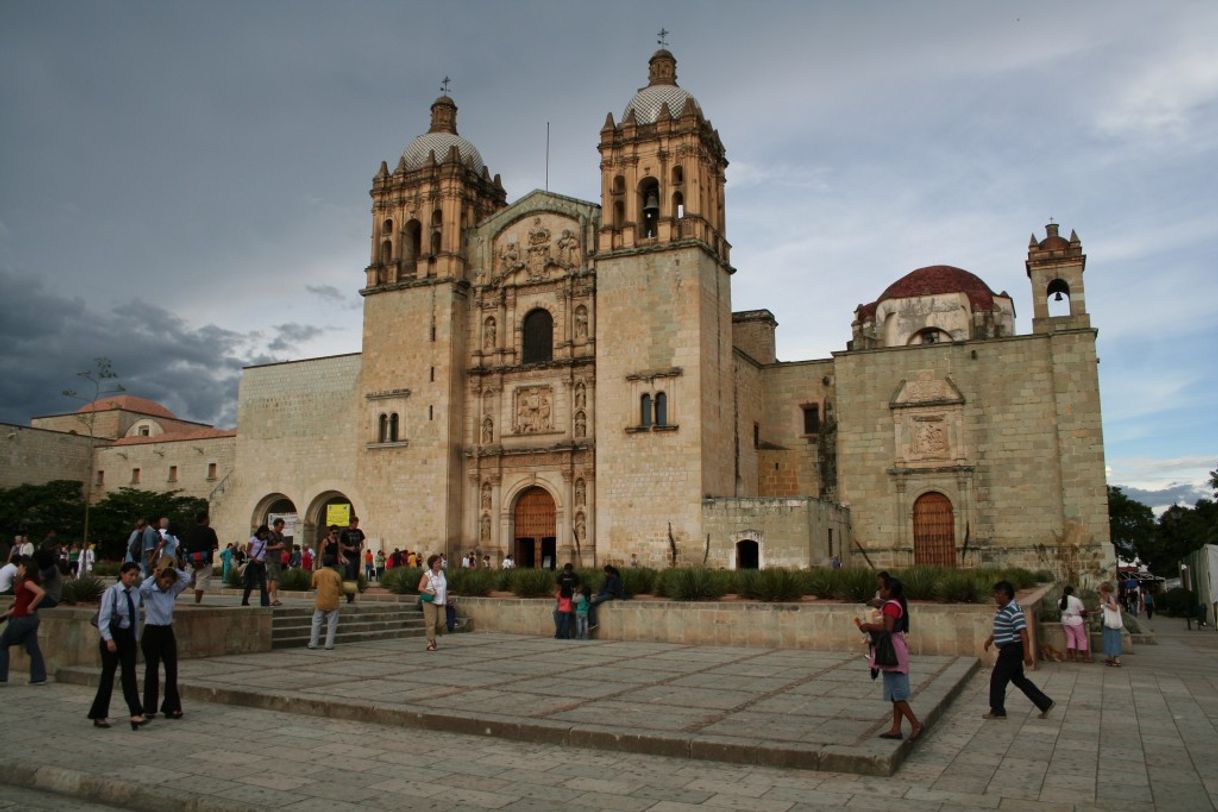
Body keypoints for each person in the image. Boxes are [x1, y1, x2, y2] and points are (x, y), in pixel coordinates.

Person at [854, 577, 921, 740]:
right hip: (895, 649)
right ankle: (896, 728)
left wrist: (868, 626)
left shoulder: (891, 605)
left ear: (889, 591)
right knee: (894, 693)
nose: (880, 591)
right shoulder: (895, 604)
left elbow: (888, 628)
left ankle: (915, 724)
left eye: (882, 589)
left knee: (896, 695)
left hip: (893, 652)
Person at [89, 562, 149, 730]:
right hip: (112, 636)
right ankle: (99, 714)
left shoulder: (136, 593)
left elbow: (136, 618)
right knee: (108, 676)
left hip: (127, 637)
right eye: (130, 574)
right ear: (122, 574)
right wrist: (108, 639)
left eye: (135, 575)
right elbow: (104, 618)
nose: (133, 578)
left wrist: (135, 639)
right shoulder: (112, 592)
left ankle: (136, 713)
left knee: (129, 675)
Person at [983, 580, 1054, 720]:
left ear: (1006, 595)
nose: (995, 596)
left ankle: (997, 711)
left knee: (998, 678)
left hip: (1012, 650)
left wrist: (1027, 654)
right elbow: (1000, 627)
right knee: (1019, 680)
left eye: (998, 594)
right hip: (1009, 649)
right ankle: (1045, 703)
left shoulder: (1014, 610)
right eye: (995, 594)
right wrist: (990, 639)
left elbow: (1023, 633)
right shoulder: (1002, 608)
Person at [140, 566, 191, 718]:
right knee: (152, 670)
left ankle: (171, 706)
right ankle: (149, 707)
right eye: (165, 581)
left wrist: (172, 567)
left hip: (166, 631)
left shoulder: (171, 592)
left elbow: (187, 579)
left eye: (170, 583)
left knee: (171, 669)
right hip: (151, 631)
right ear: (159, 579)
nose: (167, 585)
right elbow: (142, 588)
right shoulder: (150, 592)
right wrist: (154, 575)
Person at [0, 556, 47, 685]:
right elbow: (19, 604)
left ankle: (1, 677)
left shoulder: (27, 582)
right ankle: (39, 677)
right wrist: (4, 614)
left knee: (2, 644)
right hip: (30, 619)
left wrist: (30, 607)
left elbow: (41, 593)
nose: (18, 568)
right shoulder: (24, 582)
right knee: (32, 648)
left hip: (22, 620)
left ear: (24, 567)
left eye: (19, 566)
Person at [181, 511, 219, 605]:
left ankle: (173, 595)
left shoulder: (190, 530)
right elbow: (215, 545)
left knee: (188, 579)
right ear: (205, 519)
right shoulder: (210, 531)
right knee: (202, 580)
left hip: (191, 559)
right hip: (205, 559)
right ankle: (197, 602)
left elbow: (185, 544)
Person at [308, 556, 343, 650]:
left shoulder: (317, 573)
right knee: (332, 625)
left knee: (316, 623)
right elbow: (340, 591)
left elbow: (313, 585)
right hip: (333, 602)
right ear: (332, 564)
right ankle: (329, 644)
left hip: (320, 601)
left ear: (323, 562)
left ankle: (313, 643)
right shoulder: (336, 575)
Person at [417, 554, 447, 652]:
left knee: (442, 622)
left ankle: (432, 636)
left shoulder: (442, 573)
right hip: (430, 601)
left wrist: (448, 598)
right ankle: (430, 642)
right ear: (432, 564)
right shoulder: (427, 574)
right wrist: (430, 592)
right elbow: (420, 587)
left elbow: (443, 587)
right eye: (437, 563)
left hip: (441, 601)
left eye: (440, 562)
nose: (439, 564)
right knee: (431, 623)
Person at [1058, 585, 1091, 663]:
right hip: (1076, 620)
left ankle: (1073, 657)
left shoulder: (1060, 600)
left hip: (1065, 621)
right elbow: (1082, 611)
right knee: (1082, 639)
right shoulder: (1076, 600)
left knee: (1070, 638)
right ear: (1072, 592)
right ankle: (1085, 657)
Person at [241, 525, 271, 607]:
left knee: (263, 583)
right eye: (264, 534)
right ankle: (245, 600)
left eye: (266, 534)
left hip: (261, 563)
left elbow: (265, 551)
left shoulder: (265, 541)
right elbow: (248, 551)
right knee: (250, 583)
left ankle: (265, 603)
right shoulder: (253, 539)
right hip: (253, 563)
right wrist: (254, 559)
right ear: (260, 532)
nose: (265, 535)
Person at [339, 517, 365, 604]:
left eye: (357, 523)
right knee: (349, 575)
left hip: (357, 556)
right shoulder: (344, 532)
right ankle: (349, 597)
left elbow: (362, 544)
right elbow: (341, 545)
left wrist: (359, 549)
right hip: (348, 557)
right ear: (351, 523)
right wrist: (349, 548)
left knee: (355, 575)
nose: (356, 525)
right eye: (355, 523)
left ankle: (352, 596)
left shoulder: (359, 532)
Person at [1098, 582, 1123, 667]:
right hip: (1106, 621)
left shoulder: (1110, 597)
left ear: (1104, 589)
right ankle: (1110, 658)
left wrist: (1105, 604)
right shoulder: (1104, 597)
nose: (1099, 590)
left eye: (1100, 588)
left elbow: (1115, 608)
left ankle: (1116, 659)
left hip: (1111, 622)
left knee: (1114, 639)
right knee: (1108, 639)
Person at [265, 518, 286, 607]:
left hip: (278, 559)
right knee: (274, 578)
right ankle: (274, 599)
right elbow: (264, 547)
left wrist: (282, 547)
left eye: (283, 526)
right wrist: (276, 547)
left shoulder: (281, 535)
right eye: (280, 526)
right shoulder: (269, 534)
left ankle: (264, 597)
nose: (282, 528)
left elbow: (281, 545)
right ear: (276, 525)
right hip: (270, 558)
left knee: (270, 580)